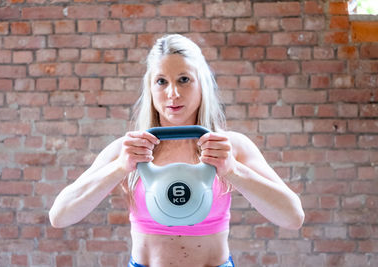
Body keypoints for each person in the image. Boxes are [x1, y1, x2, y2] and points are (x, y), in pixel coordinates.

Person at [49, 34, 305, 267]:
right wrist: (119, 168)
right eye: (161, 81)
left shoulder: (231, 147)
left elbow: (293, 217)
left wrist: (233, 170)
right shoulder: (129, 149)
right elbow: (59, 216)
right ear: (150, 88)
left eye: (184, 80)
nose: (173, 93)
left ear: (201, 83)